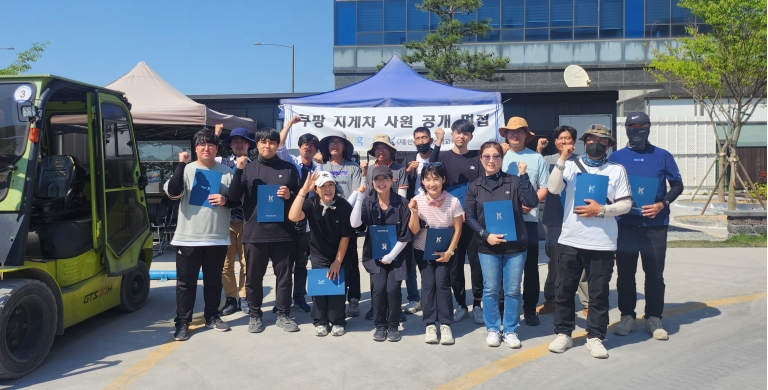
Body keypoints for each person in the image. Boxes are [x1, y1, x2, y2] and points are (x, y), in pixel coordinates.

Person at [546, 124, 632, 359]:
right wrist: (562, 158)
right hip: (571, 239)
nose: (596, 143)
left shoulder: (616, 170)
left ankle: (595, 336)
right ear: (584, 142)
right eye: (591, 139)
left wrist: (601, 209)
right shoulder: (572, 166)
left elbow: (626, 204)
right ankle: (563, 333)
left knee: (598, 293)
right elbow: (553, 188)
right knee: (564, 290)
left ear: (609, 145)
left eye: (602, 140)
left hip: (602, 242)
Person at [609, 112, 684, 340]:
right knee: (625, 274)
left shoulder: (662, 156)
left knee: (654, 274)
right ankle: (627, 317)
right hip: (625, 225)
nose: (637, 129)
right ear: (626, 128)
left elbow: (677, 185)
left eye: (642, 125)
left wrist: (662, 204)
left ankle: (653, 318)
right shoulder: (616, 157)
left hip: (655, 226)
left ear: (649, 127)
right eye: (632, 125)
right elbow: (609, 188)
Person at [164, 129, 239, 341]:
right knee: (185, 284)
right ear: (196, 147)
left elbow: (236, 199)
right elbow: (173, 192)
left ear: (217, 148)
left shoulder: (227, 171)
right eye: (202, 144)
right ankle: (183, 322)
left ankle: (212, 316)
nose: (207, 148)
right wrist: (180, 164)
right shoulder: (186, 169)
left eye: (211, 145)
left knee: (214, 281)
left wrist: (225, 201)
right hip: (188, 237)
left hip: (217, 237)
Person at [464, 141, 538, 348]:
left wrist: (524, 176)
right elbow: (469, 217)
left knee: (513, 290)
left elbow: (531, 202)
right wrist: (485, 235)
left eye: (496, 156)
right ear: (481, 159)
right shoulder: (474, 187)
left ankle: (511, 330)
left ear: (502, 159)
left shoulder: (514, 181)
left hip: (516, 247)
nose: (491, 160)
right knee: (490, 289)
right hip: (488, 246)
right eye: (486, 156)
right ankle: (493, 329)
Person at [228, 127, 301, 334]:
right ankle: (255, 314)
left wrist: (290, 196)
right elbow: (233, 198)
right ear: (256, 145)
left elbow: (302, 200)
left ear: (278, 145)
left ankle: (283, 313)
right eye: (263, 142)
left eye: (272, 142)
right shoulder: (248, 169)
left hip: (284, 233)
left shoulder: (289, 169)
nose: (267, 146)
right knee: (253, 277)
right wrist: (239, 171)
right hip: (254, 234)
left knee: (285, 278)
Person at [350, 165, 413, 342]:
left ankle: (393, 325)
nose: (381, 182)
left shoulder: (402, 204)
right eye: (377, 179)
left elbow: (405, 235)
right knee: (378, 289)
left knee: (392, 290)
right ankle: (380, 325)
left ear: (392, 180)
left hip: (397, 255)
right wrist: (360, 199)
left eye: (384, 178)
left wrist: (392, 256)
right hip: (375, 255)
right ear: (372, 182)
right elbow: (355, 224)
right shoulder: (369, 202)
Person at [288, 171, 355, 337]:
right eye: (323, 186)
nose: (328, 189)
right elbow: (293, 216)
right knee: (320, 287)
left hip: (340, 251)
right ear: (316, 189)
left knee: (336, 288)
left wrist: (337, 261)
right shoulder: (310, 204)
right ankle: (320, 321)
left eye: (330, 184)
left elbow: (346, 237)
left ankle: (338, 320)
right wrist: (303, 190)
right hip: (318, 252)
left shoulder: (344, 206)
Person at [429, 119, 483, 324]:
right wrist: (438, 142)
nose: (462, 136)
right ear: (452, 134)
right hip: (451, 220)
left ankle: (477, 304)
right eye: (458, 132)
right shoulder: (442, 156)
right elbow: (431, 168)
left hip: (474, 220)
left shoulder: (477, 158)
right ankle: (461, 304)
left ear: (470, 137)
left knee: (477, 265)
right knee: (455, 265)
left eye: (466, 133)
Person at [498, 117, 549, 326]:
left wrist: (533, 201)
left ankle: (529, 309)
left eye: (520, 132)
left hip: (528, 220)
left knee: (530, 267)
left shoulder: (537, 158)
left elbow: (544, 186)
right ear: (506, 135)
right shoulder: (499, 156)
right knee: (503, 265)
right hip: (504, 220)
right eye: (511, 132)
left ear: (527, 135)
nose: (515, 135)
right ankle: (503, 308)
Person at [407, 162, 463, 345]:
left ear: (443, 180)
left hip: (444, 251)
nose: (432, 183)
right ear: (422, 181)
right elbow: (414, 230)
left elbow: (457, 230)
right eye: (428, 179)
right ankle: (430, 324)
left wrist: (450, 251)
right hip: (422, 250)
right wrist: (414, 213)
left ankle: (446, 324)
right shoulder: (418, 200)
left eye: (436, 179)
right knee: (428, 285)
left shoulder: (453, 201)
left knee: (443, 284)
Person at [537, 126, 590, 316]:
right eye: (560, 138)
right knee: (555, 261)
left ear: (574, 141)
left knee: (583, 259)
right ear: (555, 141)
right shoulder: (547, 160)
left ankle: (587, 303)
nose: (564, 141)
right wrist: (538, 151)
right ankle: (551, 298)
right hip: (554, 218)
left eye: (567, 138)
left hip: (578, 218)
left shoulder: (583, 162)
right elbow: (535, 176)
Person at [360, 134, 409, 321]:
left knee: (395, 279)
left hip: (395, 220)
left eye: (384, 147)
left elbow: (402, 195)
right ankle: (377, 308)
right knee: (377, 279)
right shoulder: (369, 169)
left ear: (390, 150)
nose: (380, 151)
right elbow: (366, 197)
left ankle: (396, 310)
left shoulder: (399, 169)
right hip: (375, 224)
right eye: (377, 148)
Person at [317, 130, 364, 317]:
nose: (335, 145)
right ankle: (333, 296)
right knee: (329, 259)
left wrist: (342, 210)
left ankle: (353, 298)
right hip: (325, 221)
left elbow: (355, 192)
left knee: (350, 260)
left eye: (339, 142)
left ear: (345, 146)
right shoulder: (322, 165)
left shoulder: (353, 167)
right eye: (331, 142)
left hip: (346, 218)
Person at [277, 115, 319, 313]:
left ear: (316, 150)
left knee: (302, 262)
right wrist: (289, 124)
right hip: (288, 219)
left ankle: (300, 297)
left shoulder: (319, 170)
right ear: (300, 147)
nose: (308, 148)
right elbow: (279, 145)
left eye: (312, 145)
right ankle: (281, 301)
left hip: (308, 222)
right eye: (304, 144)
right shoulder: (291, 163)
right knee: (284, 264)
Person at [213, 124, 254, 316]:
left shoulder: (256, 165)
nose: (238, 144)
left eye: (242, 141)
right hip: (225, 220)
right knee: (226, 263)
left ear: (248, 145)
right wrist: (215, 135)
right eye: (235, 141)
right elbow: (205, 157)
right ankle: (231, 298)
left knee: (247, 262)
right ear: (230, 145)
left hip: (248, 221)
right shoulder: (222, 164)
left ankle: (244, 296)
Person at [400, 127, 440, 315]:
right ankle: (414, 298)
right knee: (410, 258)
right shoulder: (408, 160)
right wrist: (407, 171)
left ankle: (432, 298)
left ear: (430, 139)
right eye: (418, 138)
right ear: (414, 141)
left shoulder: (439, 156)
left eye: (424, 137)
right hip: (414, 211)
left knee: (432, 255)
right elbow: (400, 185)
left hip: (435, 210)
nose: (421, 140)